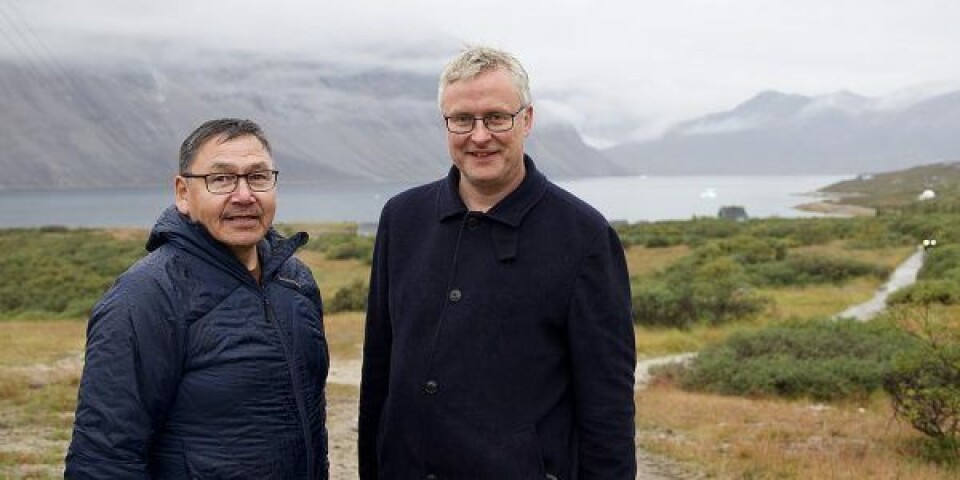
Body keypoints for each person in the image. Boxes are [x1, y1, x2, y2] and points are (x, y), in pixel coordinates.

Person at [358, 46, 637, 479]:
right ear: (446, 124)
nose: (480, 135)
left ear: (526, 120)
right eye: (463, 120)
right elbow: (379, 368)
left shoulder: (584, 236)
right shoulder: (402, 218)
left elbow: (608, 405)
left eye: (496, 117)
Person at [65, 118, 329, 478]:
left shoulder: (295, 281)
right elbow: (103, 457)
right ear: (183, 193)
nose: (244, 195)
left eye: (258, 176)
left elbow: (312, 423)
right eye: (220, 179)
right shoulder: (146, 297)